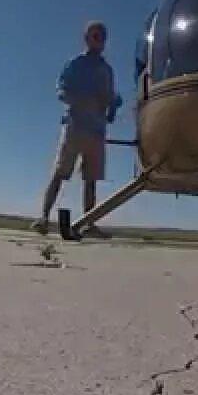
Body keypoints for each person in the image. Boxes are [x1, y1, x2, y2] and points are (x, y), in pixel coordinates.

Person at [32, 21, 123, 235]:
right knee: (60, 173)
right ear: (86, 38)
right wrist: (79, 100)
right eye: (94, 36)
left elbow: (110, 100)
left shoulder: (107, 70)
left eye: (102, 37)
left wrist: (111, 108)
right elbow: (61, 90)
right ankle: (43, 218)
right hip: (75, 126)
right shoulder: (75, 64)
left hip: (97, 130)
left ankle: (88, 223)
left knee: (91, 180)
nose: (98, 40)